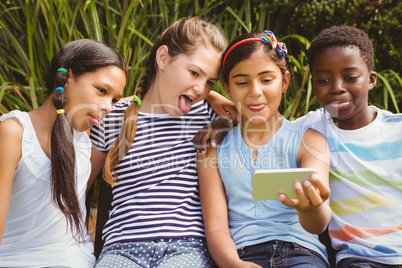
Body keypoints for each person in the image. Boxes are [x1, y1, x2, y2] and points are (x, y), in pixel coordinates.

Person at [89, 17, 237, 267]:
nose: (200, 87)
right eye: (194, 72)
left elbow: (256, 117)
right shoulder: (117, 115)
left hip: (186, 247)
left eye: (209, 81)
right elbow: (78, 185)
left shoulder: (204, 113)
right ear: (163, 58)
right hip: (121, 249)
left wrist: (213, 104)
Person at [197, 30, 332, 268]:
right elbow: (216, 225)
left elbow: (318, 225)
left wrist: (311, 207)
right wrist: (232, 263)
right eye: (242, 82)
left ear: (285, 82)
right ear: (228, 88)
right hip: (240, 255)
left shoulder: (309, 141)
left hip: (301, 253)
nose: (255, 91)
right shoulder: (214, 149)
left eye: (266, 80)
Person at [0, 39, 127, 267]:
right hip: (16, 259)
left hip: (77, 259)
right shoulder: (14, 132)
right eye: (101, 90)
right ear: (67, 79)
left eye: (114, 99)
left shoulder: (83, 135)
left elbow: (142, 102)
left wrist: (208, 97)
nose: (108, 106)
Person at [294, 26, 402, 268]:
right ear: (313, 84)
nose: (337, 87)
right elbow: (262, 126)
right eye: (324, 80)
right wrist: (219, 111)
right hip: (359, 259)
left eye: (350, 78)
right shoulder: (311, 128)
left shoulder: (397, 130)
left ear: (371, 80)